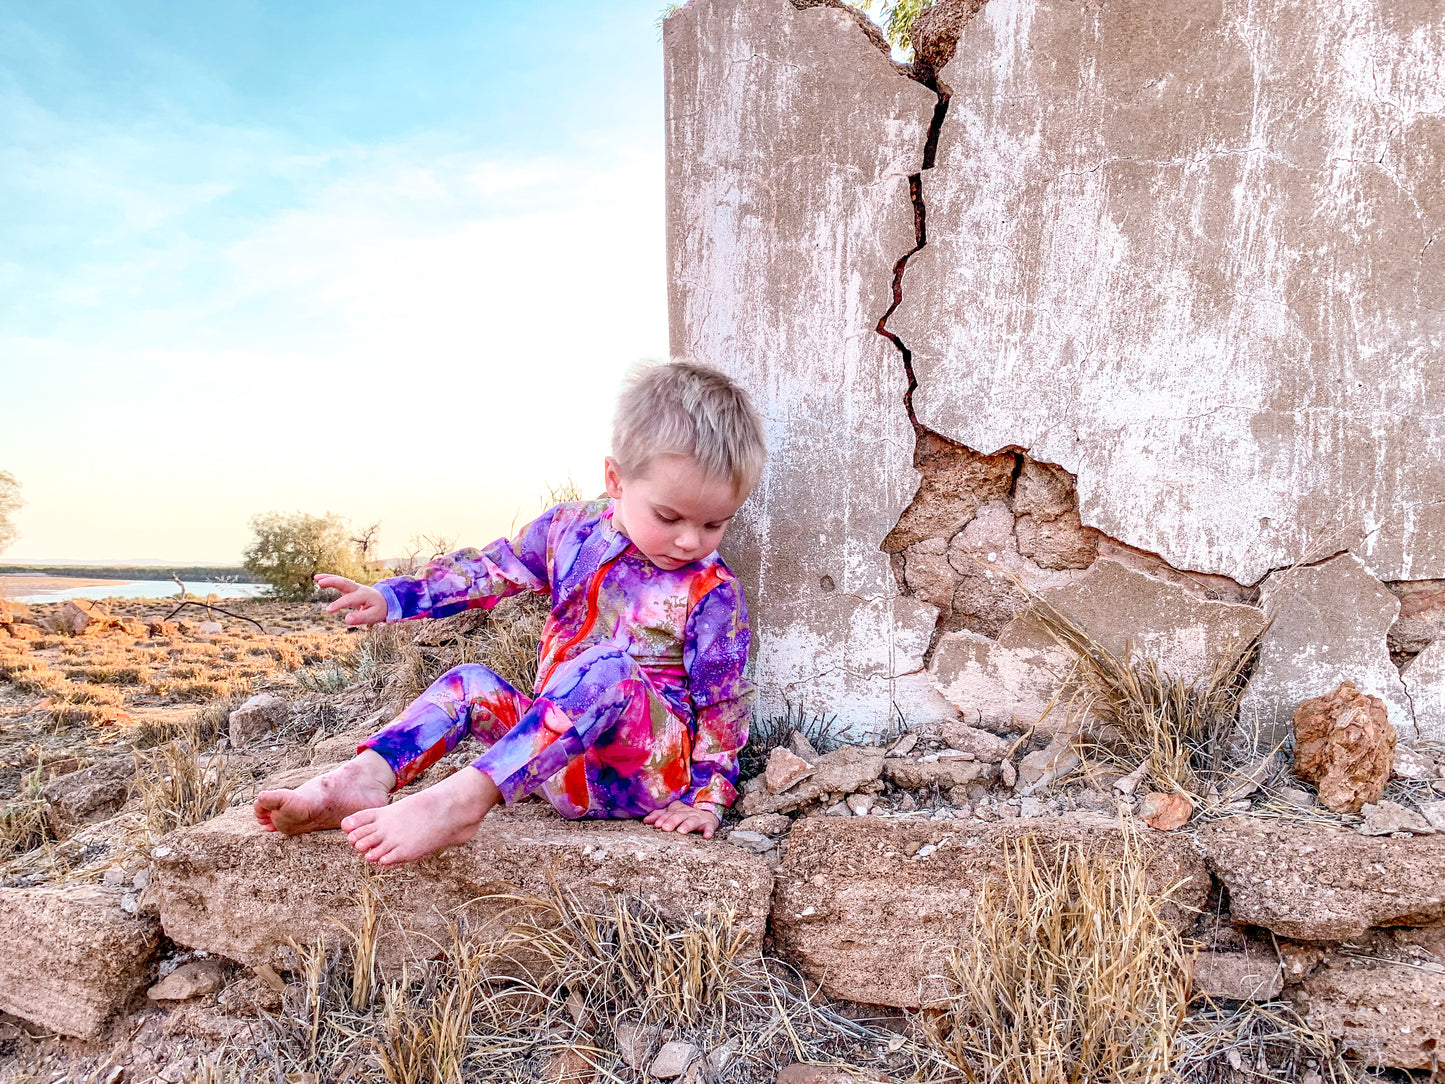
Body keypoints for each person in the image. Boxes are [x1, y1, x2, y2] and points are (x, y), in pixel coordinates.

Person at [252, 361, 766, 866]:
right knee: (468, 683)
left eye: (713, 524)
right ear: (615, 478)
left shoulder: (711, 591)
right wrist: (395, 596)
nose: (688, 540)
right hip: (547, 756)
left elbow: (722, 702)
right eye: (669, 516)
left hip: (644, 773)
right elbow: (492, 569)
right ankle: (362, 780)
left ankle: (462, 801)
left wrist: (708, 798)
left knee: (607, 669)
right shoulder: (570, 531)